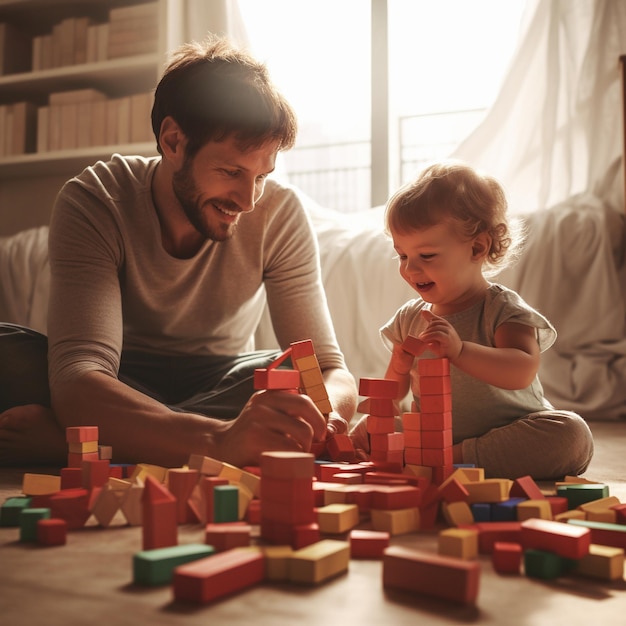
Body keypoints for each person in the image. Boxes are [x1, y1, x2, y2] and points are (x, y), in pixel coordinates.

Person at [0, 36, 357, 469]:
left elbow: (328, 368)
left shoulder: (279, 214)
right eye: (231, 172)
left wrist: (328, 419)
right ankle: (150, 438)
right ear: (173, 142)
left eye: (261, 176)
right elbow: (80, 378)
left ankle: (86, 444)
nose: (247, 200)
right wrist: (220, 438)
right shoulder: (95, 199)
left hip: (222, 379)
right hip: (116, 378)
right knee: (12, 357)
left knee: (296, 382)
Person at [350, 160, 593, 480]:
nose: (410, 269)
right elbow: (393, 397)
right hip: (433, 436)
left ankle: (457, 459)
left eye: (426, 256)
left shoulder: (502, 308)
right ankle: (437, 458)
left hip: (507, 431)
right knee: (370, 426)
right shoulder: (409, 319)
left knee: (571, 435)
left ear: (478, 248)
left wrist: (460, 351)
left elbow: (522, 369)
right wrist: (398, 367)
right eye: (403, 255)